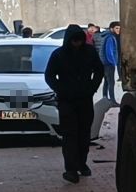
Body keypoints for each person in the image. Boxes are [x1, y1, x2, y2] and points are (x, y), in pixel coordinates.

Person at [43, 25, 104, 183]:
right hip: (67, 102)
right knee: (70, 136)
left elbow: (99, 70)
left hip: (84, 99)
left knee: (84, 135)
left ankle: (82, 164)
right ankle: (70, 169)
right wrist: (61, 89)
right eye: (74, 41)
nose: (77, 44)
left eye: (79, 41)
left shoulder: (89, 52)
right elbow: (49, 75)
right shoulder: (58, 55)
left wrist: (91, 88)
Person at [101, 21, 122, 103]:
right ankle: (112, 101)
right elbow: (109, 52)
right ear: (111, 28)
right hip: (109, 64)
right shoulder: (110, 37)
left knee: (106, 82)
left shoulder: (107, 36)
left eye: (119, 28)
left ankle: (105, 98)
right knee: (111, 82)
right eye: (116, 28)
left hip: (105, 63)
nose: (118, 30)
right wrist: (113, 63)